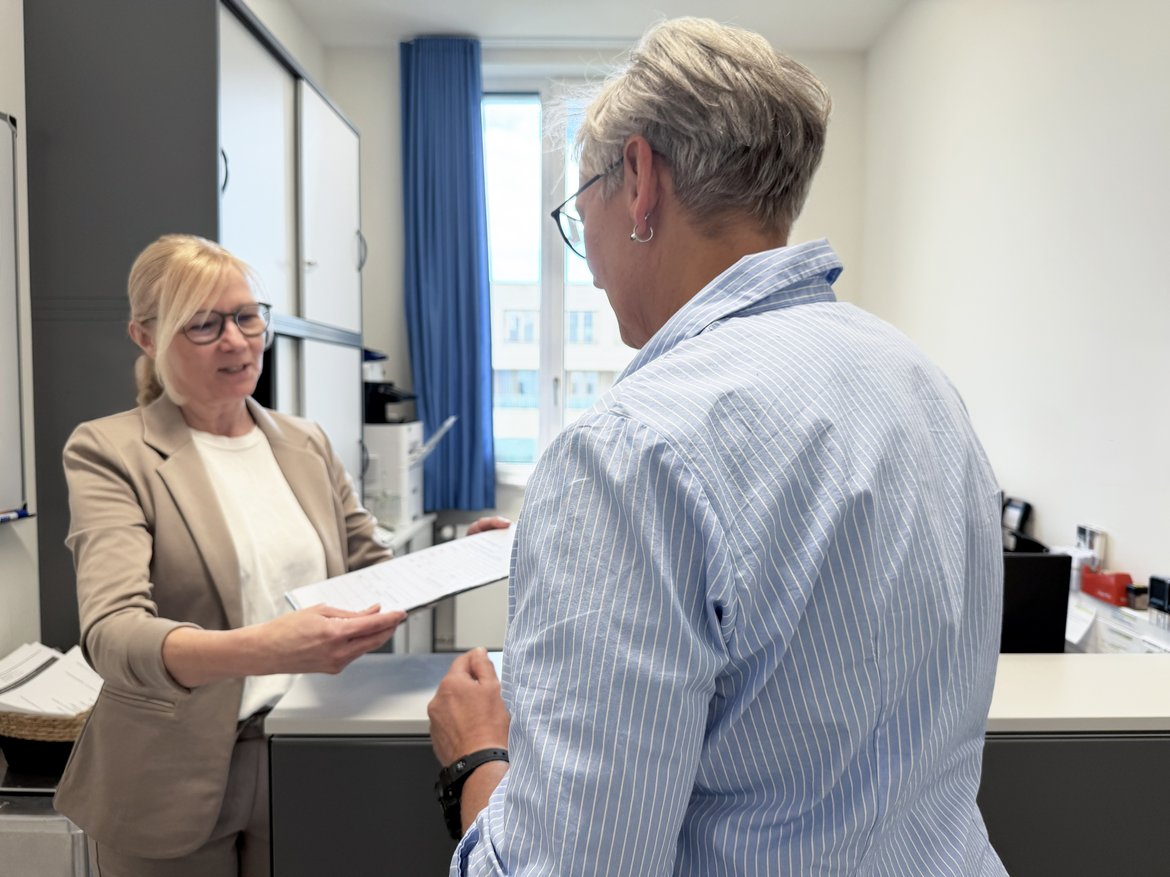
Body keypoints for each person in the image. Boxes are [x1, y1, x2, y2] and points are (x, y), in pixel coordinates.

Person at [428, 17, 1009, 876]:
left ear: (638, 179)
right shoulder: (920, 382)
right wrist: (572, 555)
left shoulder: (626, 449)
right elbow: (808, 592)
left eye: (576, 202)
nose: (583, 251)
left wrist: (477, 761)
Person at [53, 234, 505, 877]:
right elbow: (114, 635)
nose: (236, 341)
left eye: (246, 316)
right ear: (147, 338)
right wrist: (271, 646)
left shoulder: (303, 441)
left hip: (304, 739)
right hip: (167, 774)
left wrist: (459, 559)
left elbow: (370, 570)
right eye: (203, 325)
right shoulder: (111, 451)